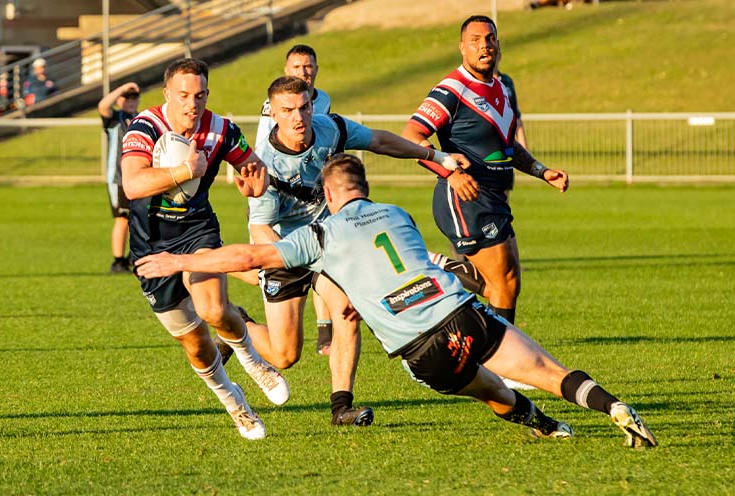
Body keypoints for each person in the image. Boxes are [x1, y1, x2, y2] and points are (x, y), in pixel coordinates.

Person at [136, 154, 658, 448]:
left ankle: (541, 424)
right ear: (364, 186)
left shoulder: (322, 234)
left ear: (331, 195)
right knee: (546, 369)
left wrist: (178, 261)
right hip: (459, 313)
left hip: (423, 350)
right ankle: (612, 406)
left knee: (486, 389)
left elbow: (250, 255)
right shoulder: (397, 214)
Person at [238, 75, 469, 426]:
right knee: (284, 355)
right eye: (287, 111)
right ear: (273, 114)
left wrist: (436, 155)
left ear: (312, 105)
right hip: (286, 246)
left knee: (346, 311)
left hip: (329, 240)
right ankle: (237, 326)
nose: (298, 117)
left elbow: (379, 141)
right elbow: (260, 228)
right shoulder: (264, 163)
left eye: (304, 107)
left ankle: (341, 407)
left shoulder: (331, 128)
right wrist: (287, 258)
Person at [121, 58, 289, 440]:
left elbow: (254, 166)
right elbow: (132, 184)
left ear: (207, 95)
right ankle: (234, 402)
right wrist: (186, 171)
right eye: (183, 95)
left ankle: (253, 361)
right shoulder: (144, 127)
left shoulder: (221, 129)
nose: (191, 104)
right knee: (195, 343)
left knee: (212, 309)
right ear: (167, 94)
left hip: (197, 230)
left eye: (199, 96)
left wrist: (255, 184)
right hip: (150, 243)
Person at [402, 15, 569, 328]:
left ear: (498, 45)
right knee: (502, 284)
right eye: (475, 40)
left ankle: (436, 267)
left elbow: (506, 145)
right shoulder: (451, 89)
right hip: (466, 197)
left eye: (490, 39)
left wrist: (540, 170)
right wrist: (451, 172)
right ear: (462, 47)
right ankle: (504, 355)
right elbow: (411, 136)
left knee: (508, 284)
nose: (484, 46)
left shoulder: (501, 88)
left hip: (495, 197)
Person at [252, 44, 334, 355]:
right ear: (286, 70)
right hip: (276, 201)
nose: (304, 72)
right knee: (285, 353)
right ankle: (237, 318)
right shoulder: (272, 106)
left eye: (309, 66)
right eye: (297, 67)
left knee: (326, 266)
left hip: (315, 201)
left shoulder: (323, 100)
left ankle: (326, 332)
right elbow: (265, 151)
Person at [98, 82, 141, 274]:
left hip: (139, 176)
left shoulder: (142, 119)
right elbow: (103, 106)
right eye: (126, 97)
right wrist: (123, 88)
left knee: (139, 217)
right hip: (119, 178)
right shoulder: (116, 119)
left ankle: (134, 255)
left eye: (134, 97)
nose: (130, 101)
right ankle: (118, 261)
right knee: (122, 218)